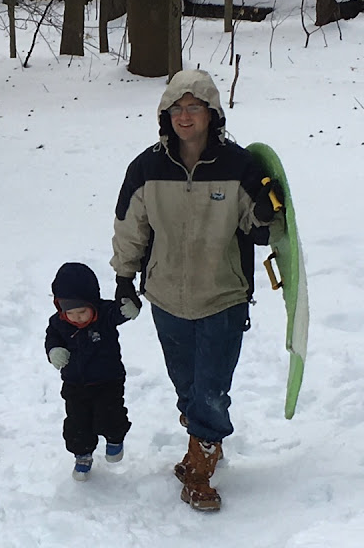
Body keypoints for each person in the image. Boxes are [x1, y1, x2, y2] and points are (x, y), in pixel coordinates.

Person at [110, 69, 283, 511]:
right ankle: (202, 440)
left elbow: (259, 228)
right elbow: (130, 227)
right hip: (166, 297)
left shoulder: (239, 166)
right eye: (176, 109)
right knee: (186, 386)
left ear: (212, 114)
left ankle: (200, 467)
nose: (184, 117)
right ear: (165, 116)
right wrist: (124, 279)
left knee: (211, 388)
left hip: (222, 297)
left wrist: (266, 212)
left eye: (194, 108)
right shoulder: (147, 168)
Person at [45, 262, 140, 481]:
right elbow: (52, 339)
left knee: (109, 416)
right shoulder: (58, 324)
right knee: (77, 423)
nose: (77, 317)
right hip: (74, 384)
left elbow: (120, 311)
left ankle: (115, 438)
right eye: (70, 313)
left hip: (108, 381)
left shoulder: (105, 315)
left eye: (82, 311)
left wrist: (130, 307)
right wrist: (54, 351)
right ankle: (82, 455)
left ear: (93, 303)